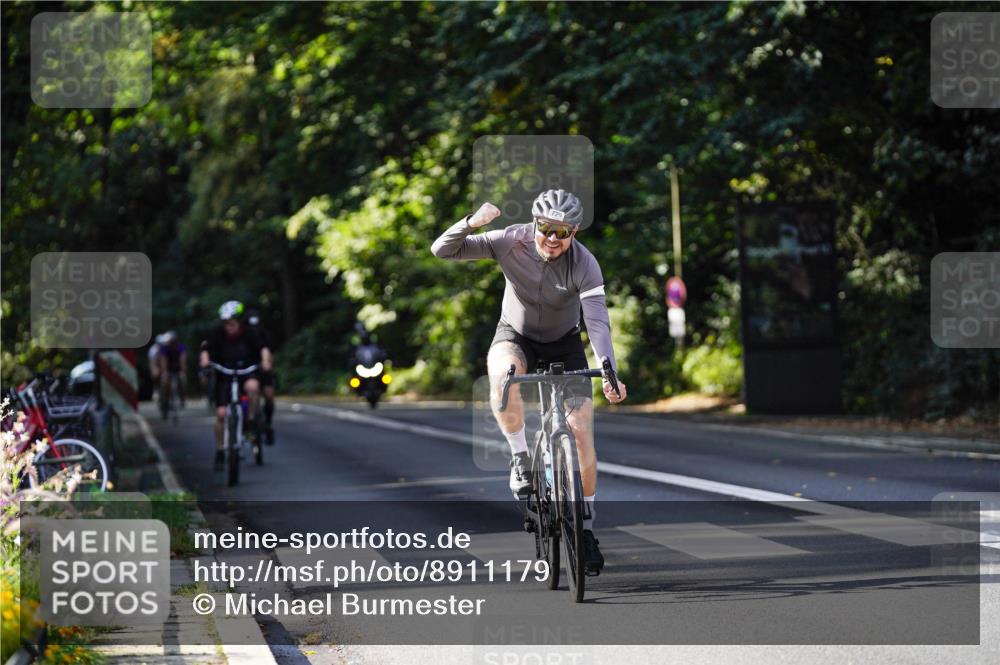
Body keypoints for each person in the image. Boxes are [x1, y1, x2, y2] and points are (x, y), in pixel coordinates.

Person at [431, 188, 627, 575]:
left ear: (574, 233)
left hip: (564, 342)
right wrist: (471, 223)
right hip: (515, 335)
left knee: (581, 430)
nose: (552, 238)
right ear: (534, 223)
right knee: (504, 375)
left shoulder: (585, 263)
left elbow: (597, 323)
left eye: (562, 231)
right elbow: (443, 250)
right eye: (546, 228)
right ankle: (520, 458)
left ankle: (586, 529)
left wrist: (609, 370)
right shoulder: (510, 240)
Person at [200, 301, 272, 470]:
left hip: (246, 371)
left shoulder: (251, 333)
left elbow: (263, 349)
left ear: (239, 322)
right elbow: (205, 349)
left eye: (232, 323)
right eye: (225, 323)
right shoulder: (217, 334)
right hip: (224, 375)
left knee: (253, 388)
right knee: (221, 414)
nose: (228, 327)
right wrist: (205, 362)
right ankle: (220, 451)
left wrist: (265, 361)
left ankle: (251, 421)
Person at [246, 309, 276, 445]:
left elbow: (268, 351)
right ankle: (248, 421)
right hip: (246, 369)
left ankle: (268, 424)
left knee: (269, 394)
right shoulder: (241, 335)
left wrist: (267, 364)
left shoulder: (264, 334)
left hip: (262, 368)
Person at [156, 331, 187, 415]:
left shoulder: (180, 347)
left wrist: (183, 371)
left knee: (183, 380)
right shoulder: (164, 348)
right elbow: (163, 360)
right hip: (168, 369)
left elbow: (183, 360)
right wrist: (164, 372)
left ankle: (182, 398)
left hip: (178, 369)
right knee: (165, 383)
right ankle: (165, 402)